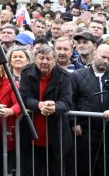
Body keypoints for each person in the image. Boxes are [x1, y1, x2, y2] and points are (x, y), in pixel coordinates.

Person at [19, 44, 74, 176]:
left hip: (56, 136)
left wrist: (54, 107)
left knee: (56, 171)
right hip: (32, 135)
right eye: (41, 58)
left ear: (55, 60)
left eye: (48, 59)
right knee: (32, 171)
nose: (44, 61)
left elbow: (66, 101)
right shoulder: (26, 72)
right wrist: (39, 105)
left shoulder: (64, 76)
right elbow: (24, 97)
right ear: (35, 58)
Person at [70, 43, 109, 175]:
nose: (106, 61)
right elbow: (71, 99)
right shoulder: (77, 75)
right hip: (86, 131)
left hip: (108, 131)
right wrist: (74, 122)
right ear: (95, 55)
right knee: (85, 167)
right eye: (103, 57)